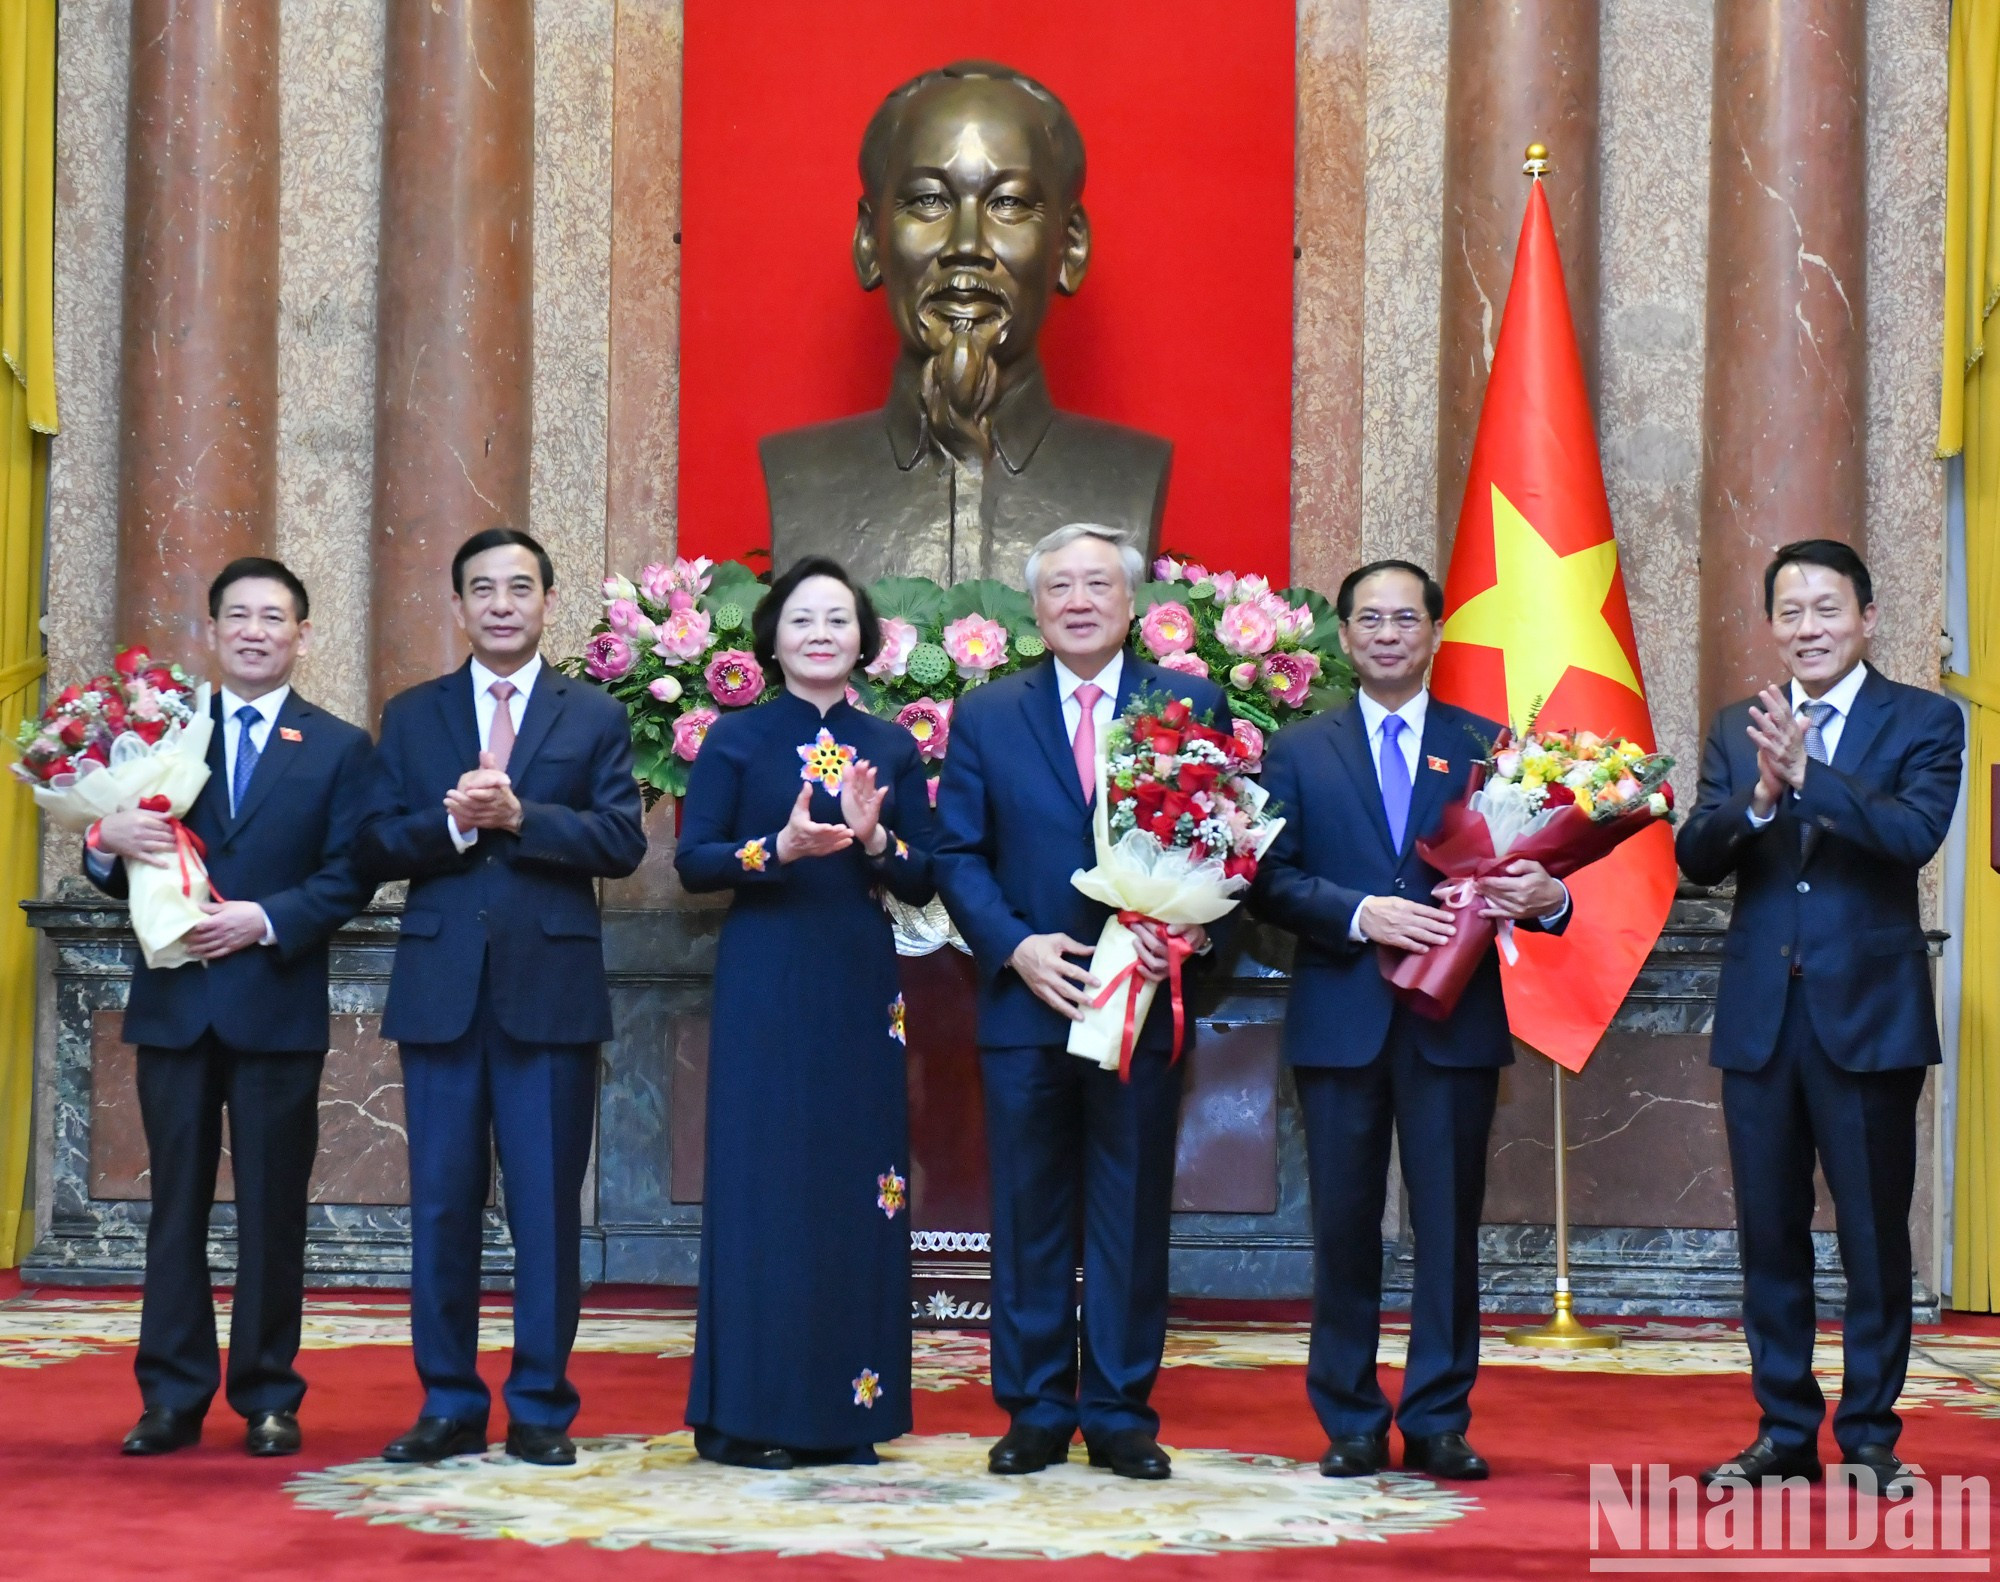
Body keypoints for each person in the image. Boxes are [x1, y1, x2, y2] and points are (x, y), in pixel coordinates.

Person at [1252, 559, 1572, 1483]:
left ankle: (1437, 1417)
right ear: (1344, 636)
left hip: (1453, 1023)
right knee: (1343, 1229)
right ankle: (1350, 1416)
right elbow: (1266, 878)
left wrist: (1545, 898)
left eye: (1406, 619)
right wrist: (1361, 913)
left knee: (1448, 1228)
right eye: (1369, 619)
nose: (1388, 633)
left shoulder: (1490, 748)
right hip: (1342, 1016)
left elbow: (1537, 876)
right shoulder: (1298, 749)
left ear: (1434, 633)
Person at [934, 523, 1223, 1481]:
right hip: (1030, 1001)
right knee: (1028, 1210)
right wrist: (1013, 947)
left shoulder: (1188, 701)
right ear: (1036, 607)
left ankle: (1121, 1410)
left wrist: (1184, 926)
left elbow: (1221, 841)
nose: (1080, 601)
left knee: (1131, 1207)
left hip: (1142, 997)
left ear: (1132, 603)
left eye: (1099, 583)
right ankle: (1035, 1408)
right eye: (1060, 586)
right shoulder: (986, 714)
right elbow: (957, 854)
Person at [1676, 539, 1961, 1491]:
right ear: (1771, 626)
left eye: (1828, 609)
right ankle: (1784, 1429)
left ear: (1867, 618)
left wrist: (1811, 779)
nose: (1809, 628)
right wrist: (1757, 798)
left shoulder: (1923, 719)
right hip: (1763, 1017)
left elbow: (1912, 836)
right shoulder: (1736, 726)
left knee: (1874, 1234)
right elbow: (1698, 856)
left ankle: (1871, 1433)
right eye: (1791, 612)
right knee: (1770, 1232)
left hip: (1868, 1016)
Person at [357, 528, 646, 1467]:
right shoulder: (413, 715)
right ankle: (446, 1402)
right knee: (441, 1206)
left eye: (519, 587)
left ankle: (539, 1407)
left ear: (548, 602)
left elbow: (622, 843)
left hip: (550, 995)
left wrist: (524, 819)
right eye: (482, 589)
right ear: (458, 607)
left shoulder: (594, 715)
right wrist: (448, 822)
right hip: (441, 992)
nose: (501, 604)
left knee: (546, 1211)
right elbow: (375, 844)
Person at [86, 558, 375, 1458]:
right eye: (237, 616)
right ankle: (170, 1396)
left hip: (276, 1001)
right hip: (175, 1000)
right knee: (174, 1204)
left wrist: (267, 919)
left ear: (302, 635)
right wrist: (104, 841)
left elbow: (351, 875)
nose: (255, 631)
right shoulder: (155, 738)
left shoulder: (338, 747)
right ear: (211, 632)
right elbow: (115, 863)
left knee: (273, 1207)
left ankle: (267, 1394)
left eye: (273, 617)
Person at [674, 557, 936, 1469]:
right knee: (767, 1187)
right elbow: (694, 862)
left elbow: (923, 873)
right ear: (772, 639)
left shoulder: (893, 746)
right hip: (767, 977)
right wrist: (773, 847)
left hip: (860, 983)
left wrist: (876, 838)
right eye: (801, 619)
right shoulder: (736, 741)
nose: (820, 634)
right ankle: (750, 1418)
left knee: (860, 1186)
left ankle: (847, 1414)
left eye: (838, 619)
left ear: (866, 637)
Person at [761, 60, 1171, 585]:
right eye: (929, 200)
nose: (967, 246)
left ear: (1070, 246)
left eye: (1009, 203)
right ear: (870, 241)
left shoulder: (1130, 475)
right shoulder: (800, 475)